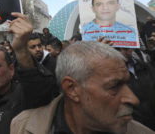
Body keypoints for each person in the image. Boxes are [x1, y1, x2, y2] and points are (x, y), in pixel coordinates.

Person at [11, 41, 153, 134]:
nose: (133, 99)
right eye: (114, 86)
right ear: (72, 89)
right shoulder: (22, 127)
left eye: (127, 84)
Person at [117, 47, 155, 130]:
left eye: (126, 48)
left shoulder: (145, 67)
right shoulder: (111, 75)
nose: (122, 53)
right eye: (117, 49)